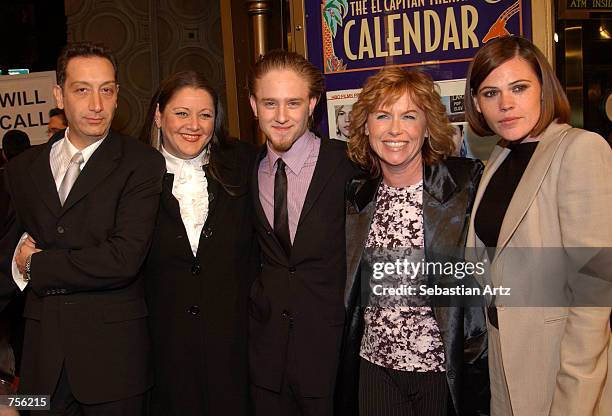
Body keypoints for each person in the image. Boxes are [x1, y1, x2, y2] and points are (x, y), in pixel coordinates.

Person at [0, 42, 165, 414]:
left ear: (118, 95)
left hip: (115, 369)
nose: (96, 104)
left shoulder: (142, 164)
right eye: (82, 90)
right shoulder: (22, 170)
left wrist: (36, 266)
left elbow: (123, 259)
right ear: (58, 94)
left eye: (106, 90)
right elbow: (5, 262)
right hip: (41, 370)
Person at [464, 35, 612, 415]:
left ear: (543, 89)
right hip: (504, 356)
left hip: (558, 363)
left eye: (518, 87)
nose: (505, 104)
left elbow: (595, 287)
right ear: (477, 105)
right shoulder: (499, 157)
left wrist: (575, 392)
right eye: (490, 92)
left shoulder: (580, 149)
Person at [336, 67, 489, 416]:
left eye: (409, 115)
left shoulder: (465, 184)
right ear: (365, 126)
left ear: (427, 126)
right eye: (382, 115)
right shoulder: (355, 197)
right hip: (375, 368)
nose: (394, 129)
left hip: (441, 373)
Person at [247, 49, 360, 416]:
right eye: (269, 103)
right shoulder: (244, 170)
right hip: (266, 361)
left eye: (293, 103)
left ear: (312, 103)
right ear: (253, 105)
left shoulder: (350, 165)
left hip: (332, 358)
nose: (281, 117)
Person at [140, 70, 259, 416]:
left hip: (236, 353)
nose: (194, 125)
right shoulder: (131, 175)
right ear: (159, 116)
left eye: (205, 115)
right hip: (162, 356)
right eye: (182, 113)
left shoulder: (246, 165)